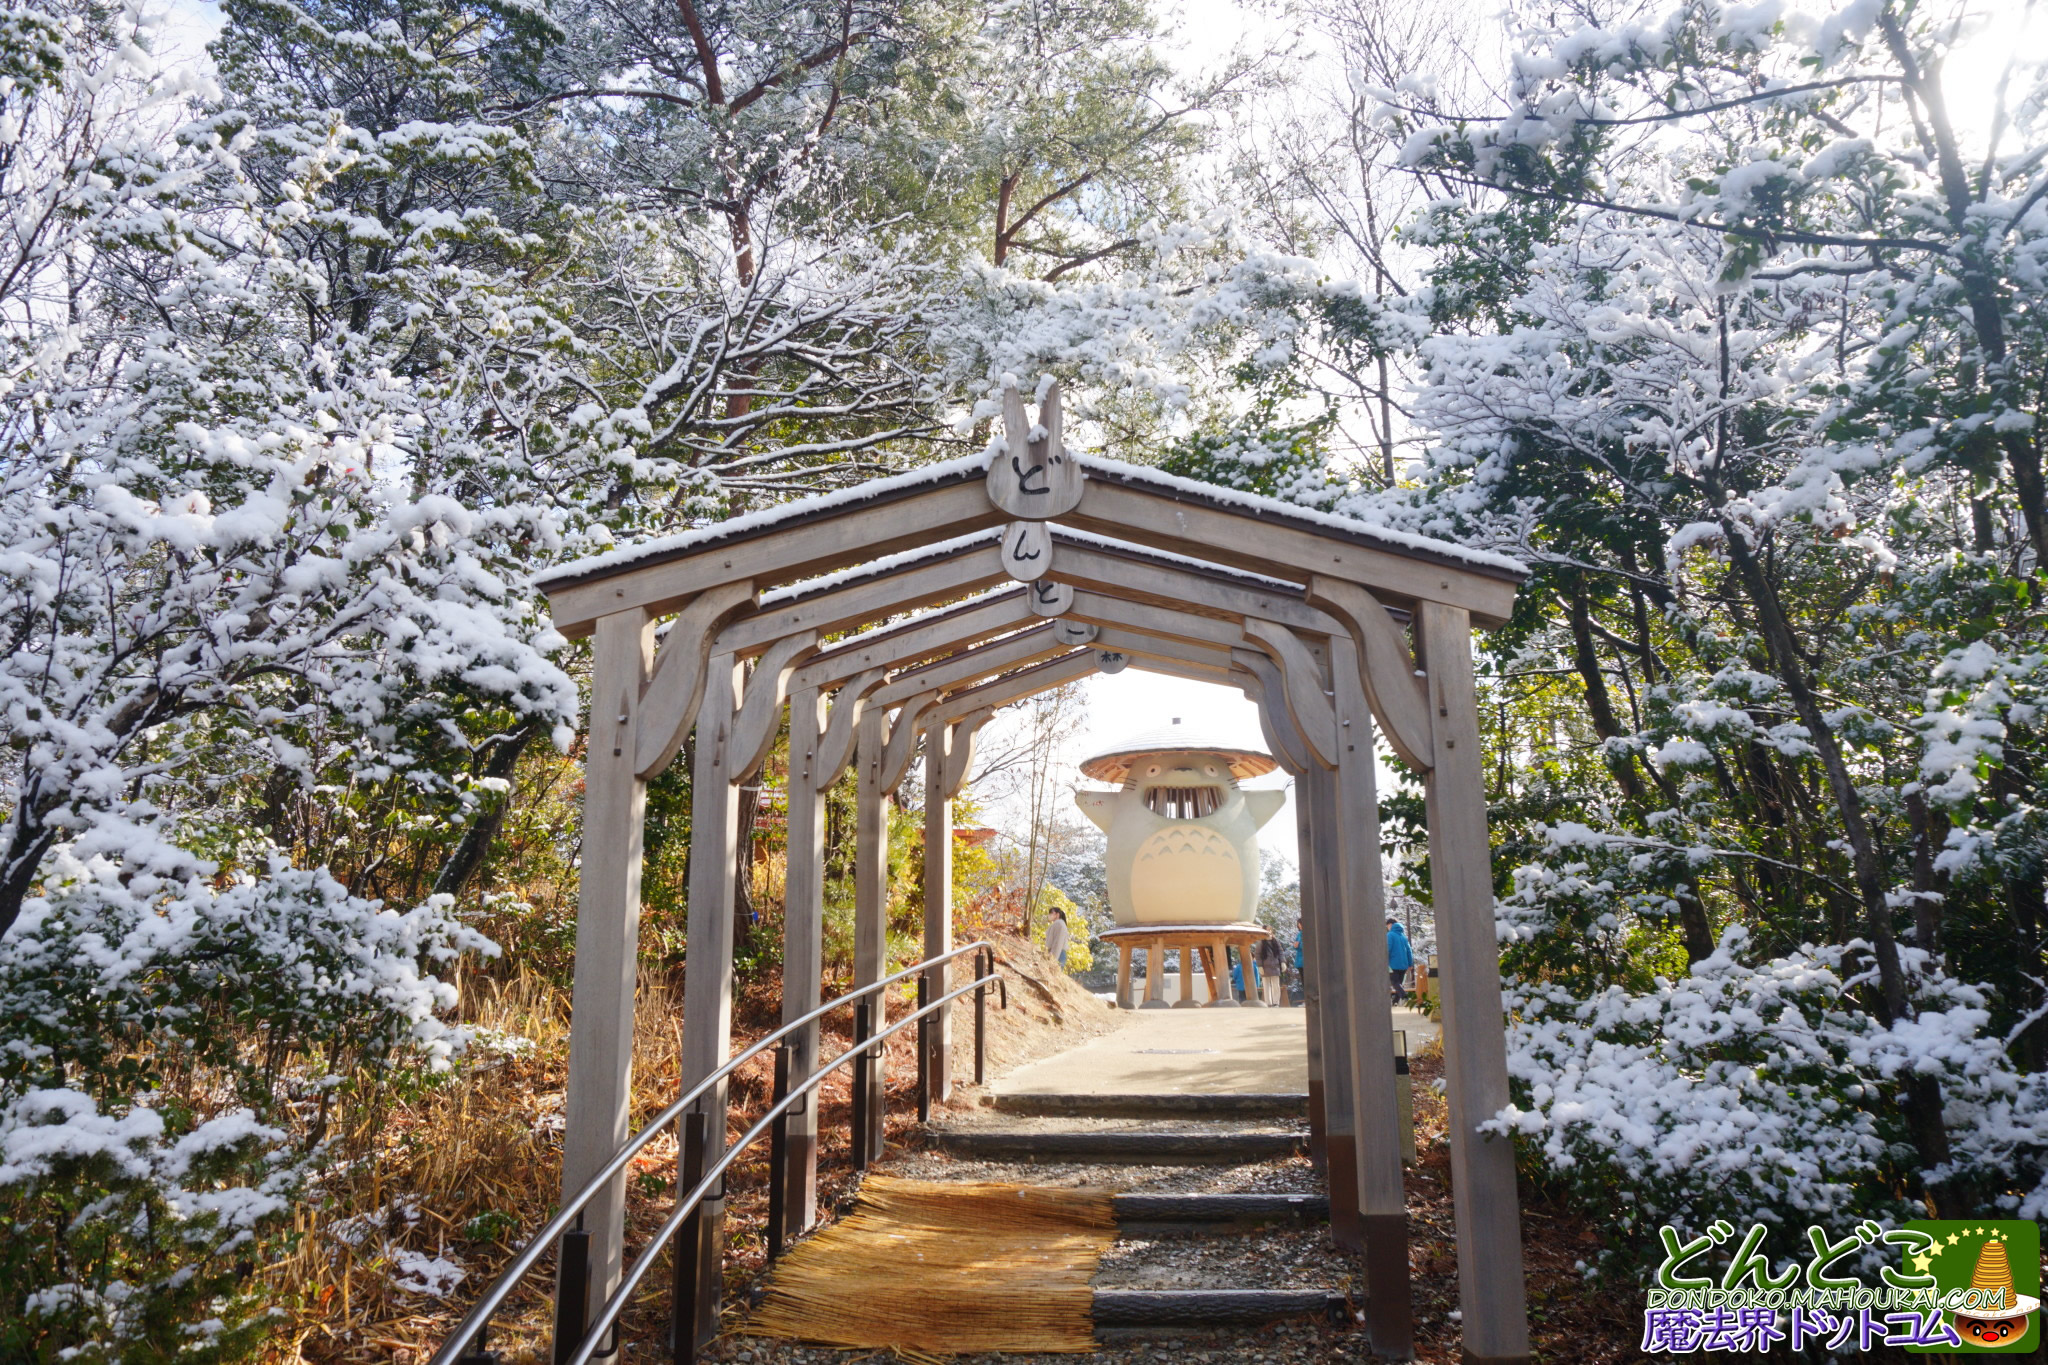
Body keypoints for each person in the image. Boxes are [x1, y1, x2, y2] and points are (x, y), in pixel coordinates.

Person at [1386, 917, 1413, 1004]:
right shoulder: (1403, 936)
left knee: (1395, 982)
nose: (1387, 927)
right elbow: (1409, 950)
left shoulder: (1390, 935)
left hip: (1393, 964)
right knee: (1399, 984)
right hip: (1404, 964)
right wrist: (1410, 963)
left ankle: (1404, 995)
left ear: (1390, 925)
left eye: (1388, 926)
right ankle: (1395, 1002)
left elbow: (1388, 948)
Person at [1044, 906, 1071, 970]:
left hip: (1058, 953)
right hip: (1057, 952)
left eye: (1052, 913)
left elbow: (1058, 942)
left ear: (1057, 914)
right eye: (1049, 913)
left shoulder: (1059, 924)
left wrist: (1053, 957)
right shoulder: (1058, 924)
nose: (1050, 915)